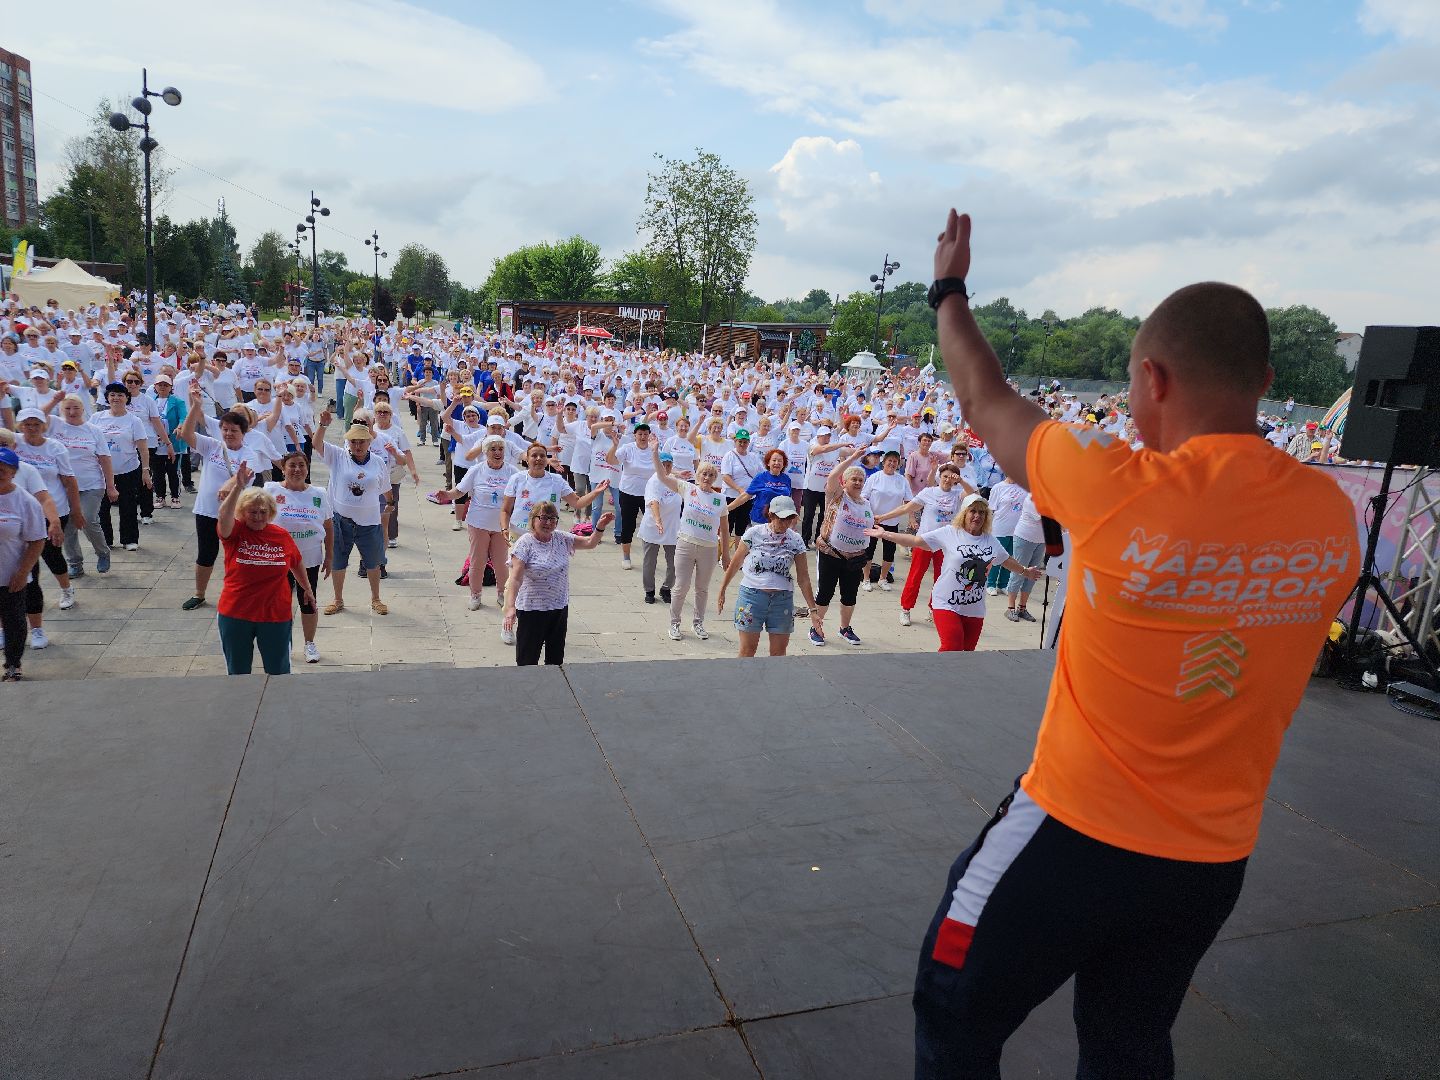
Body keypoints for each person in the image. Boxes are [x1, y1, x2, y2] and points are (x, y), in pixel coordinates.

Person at [911, 211, 1358, 1078]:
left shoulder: (1114, 485)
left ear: (1151, 376)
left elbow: (984, 399)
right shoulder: (1329, 516)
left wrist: (949, 290)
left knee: (952, 1006)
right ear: (1265, 378)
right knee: (1127, 1043)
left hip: (1074, 834)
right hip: (1208, 860)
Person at [874, 492, 1040, 651]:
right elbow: (916, 541)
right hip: (946, 602)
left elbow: (1006, 560)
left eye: (981, 512)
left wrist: (1025, 571)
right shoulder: (949, 533)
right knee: (951, 647)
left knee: (967, 652)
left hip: (974, 607)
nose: (977, 516)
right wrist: (885, 534)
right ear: (964, 514)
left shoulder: (990, 540)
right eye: (973, 511)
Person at [175, 383, 271, 611]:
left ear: (243, 433)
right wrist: (195, 406)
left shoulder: (249, 453)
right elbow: (188, 434)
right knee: (206, 552)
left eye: (233, 431)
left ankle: (241, 593)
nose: (228, 434)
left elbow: (244, 475)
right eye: (225, 429)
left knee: (239, 555)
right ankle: (199, 593)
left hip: (235, 514)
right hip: (207, 510)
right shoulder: (213, 446)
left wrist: (229, 486)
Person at [214, 461, 314, 676]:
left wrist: (307, 588)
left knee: (279, 672)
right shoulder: (235, 533)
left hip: (275, 614)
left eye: (262, 512)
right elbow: (224, 516)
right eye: (252, 512)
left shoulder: (280, 535)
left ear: (270, 512)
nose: (258, 517)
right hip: (237, 613)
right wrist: (238, 488)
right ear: (242, 513)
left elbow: (295, 561)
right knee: (238, 673)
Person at [502, 502, 616, 666]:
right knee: (527, 660)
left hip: (558, 607)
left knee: (555, 660)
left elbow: (590, 543)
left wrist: (600, 527)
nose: (548, 523)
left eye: (553, 519)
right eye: (543, 518)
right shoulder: (524, 543)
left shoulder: (561, 538)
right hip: (531, 610)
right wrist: (510, 607)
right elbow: (516, 578)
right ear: (533, 520)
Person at [715, 494, 820, 658]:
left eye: (790, 518)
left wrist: (813, 610)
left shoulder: (796, 540)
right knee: (747, 651)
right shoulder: (753, 533)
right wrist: (722, 589)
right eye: (782, 518)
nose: (786, 523)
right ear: (771, 515)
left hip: (782, 600)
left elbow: (803, 577)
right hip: (752, 596)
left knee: (778, 654)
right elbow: (736, 563)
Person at [311, 409, 391, 616]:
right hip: (341, 520)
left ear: (369, 442)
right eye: (354, 441)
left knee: (373, 562)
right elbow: (317, 445)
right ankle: (337, 599)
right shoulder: (338, 456)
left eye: (361, 441)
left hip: (370, 521)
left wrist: (391, 503)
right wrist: (323, 425)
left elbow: (384, 487)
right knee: (338, 561)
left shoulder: (378, 462)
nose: (357, 445)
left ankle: (376, 599)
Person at [648, 442, 729, 641]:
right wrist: (654, 452)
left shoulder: (720, 499)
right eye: (703, 473)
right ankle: (674, 623)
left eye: (710, 475)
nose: (706, 478)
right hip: (685, 543)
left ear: (714, 478)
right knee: (681, 586)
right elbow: (661, 476)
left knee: (702, 588)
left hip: (709, 548)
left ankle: (698, 623)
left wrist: (725, 554)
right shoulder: (688, 488)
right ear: (697, 474)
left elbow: (725, 530)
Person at [263, 451, 333, 664]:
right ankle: (281, 644)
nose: (297, 469)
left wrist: (329, 556)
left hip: (309, 559)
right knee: (278, 604)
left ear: (307, 468)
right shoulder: (271, 490)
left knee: (308, 602)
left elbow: (328, 526)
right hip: (278, 560)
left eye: (301, 465)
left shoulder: (319, 493)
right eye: (292, 465)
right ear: (283, 469)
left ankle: (309, 643)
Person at [879, 462, 967, 627]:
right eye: (945, 476)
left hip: (945, 545)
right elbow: (906, 508)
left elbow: (974, 493)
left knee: (942, 579)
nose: (947, 480)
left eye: (951, 477)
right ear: (939, 477)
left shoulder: (957, 494)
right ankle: (906, 609)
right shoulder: (929, 493)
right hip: (924, 541)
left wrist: (961, 481)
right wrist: (883, 517)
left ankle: (934, 609)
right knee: (915, 576)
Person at [810, 442, 878, 647]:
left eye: (860, 479)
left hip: (855, 557)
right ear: (845, 482)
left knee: (850, 595)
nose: (857, 482)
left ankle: (845, 629)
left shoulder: (866, 503)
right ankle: (816, 628)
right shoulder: (837, 496)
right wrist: (852, 457)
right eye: (853, 479)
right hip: (831, 553)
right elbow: (831, 477)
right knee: (825, 593)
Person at [0, 446, 48, 681]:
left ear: (13, 472)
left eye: (2, 470)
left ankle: (13, 663)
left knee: (13, 621)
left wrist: (22, 572)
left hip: (11, 575)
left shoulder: (26, 502)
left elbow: (37, 540)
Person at [638, 450, 682, 606]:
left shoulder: (674, 481)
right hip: (653, 527)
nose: (666, 468)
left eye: (668, 465)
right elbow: (654, 501)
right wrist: (658, 519)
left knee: (675, 562)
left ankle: (666, 588)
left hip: (672, 528)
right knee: (650, 562)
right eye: (663, 465)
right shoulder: (654, 481)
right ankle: (649, 590)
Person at [1002, 492, 1046, 623]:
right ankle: (1010, 608)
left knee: (1033, 575)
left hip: (1041, 540)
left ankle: (1022, 608)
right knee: (1019, 572)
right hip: (1024, 538)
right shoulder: (1031, 498)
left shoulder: (1050, 499)